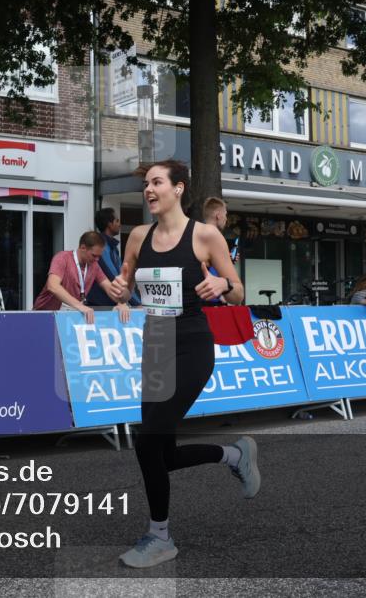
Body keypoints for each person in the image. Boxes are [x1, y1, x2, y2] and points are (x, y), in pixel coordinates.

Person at [106, 159, 259, 569]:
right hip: (155, 344)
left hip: (192, 345)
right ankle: (234, 455)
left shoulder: (205, 235)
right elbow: (125, 287)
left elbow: (239, 293)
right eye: (146, 184)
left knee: (146, 441)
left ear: (178, 189)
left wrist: (224, 284)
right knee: (162, 453)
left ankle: (160, 537)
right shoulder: (137, 236)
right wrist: (120, 292)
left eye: (157, 183)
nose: (149, 190)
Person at [32, 231, 131, 324]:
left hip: (66, 317)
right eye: (94, 255)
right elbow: (52, 286)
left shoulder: (94, 265)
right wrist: (79, 306)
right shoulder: (62, 258)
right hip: (43, 316)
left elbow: (109, 288)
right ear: (83, 248)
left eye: (99, 257)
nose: (97, 260)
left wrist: (121, 301)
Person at [87, 207, 140, 307]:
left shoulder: (113, 248)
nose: (120, 224)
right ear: (109, 224)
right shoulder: (102, 247)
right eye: (117, 221)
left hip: (110, 304)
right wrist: (136, 303)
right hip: (100, 307)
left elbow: (122, 277)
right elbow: (114, 276)